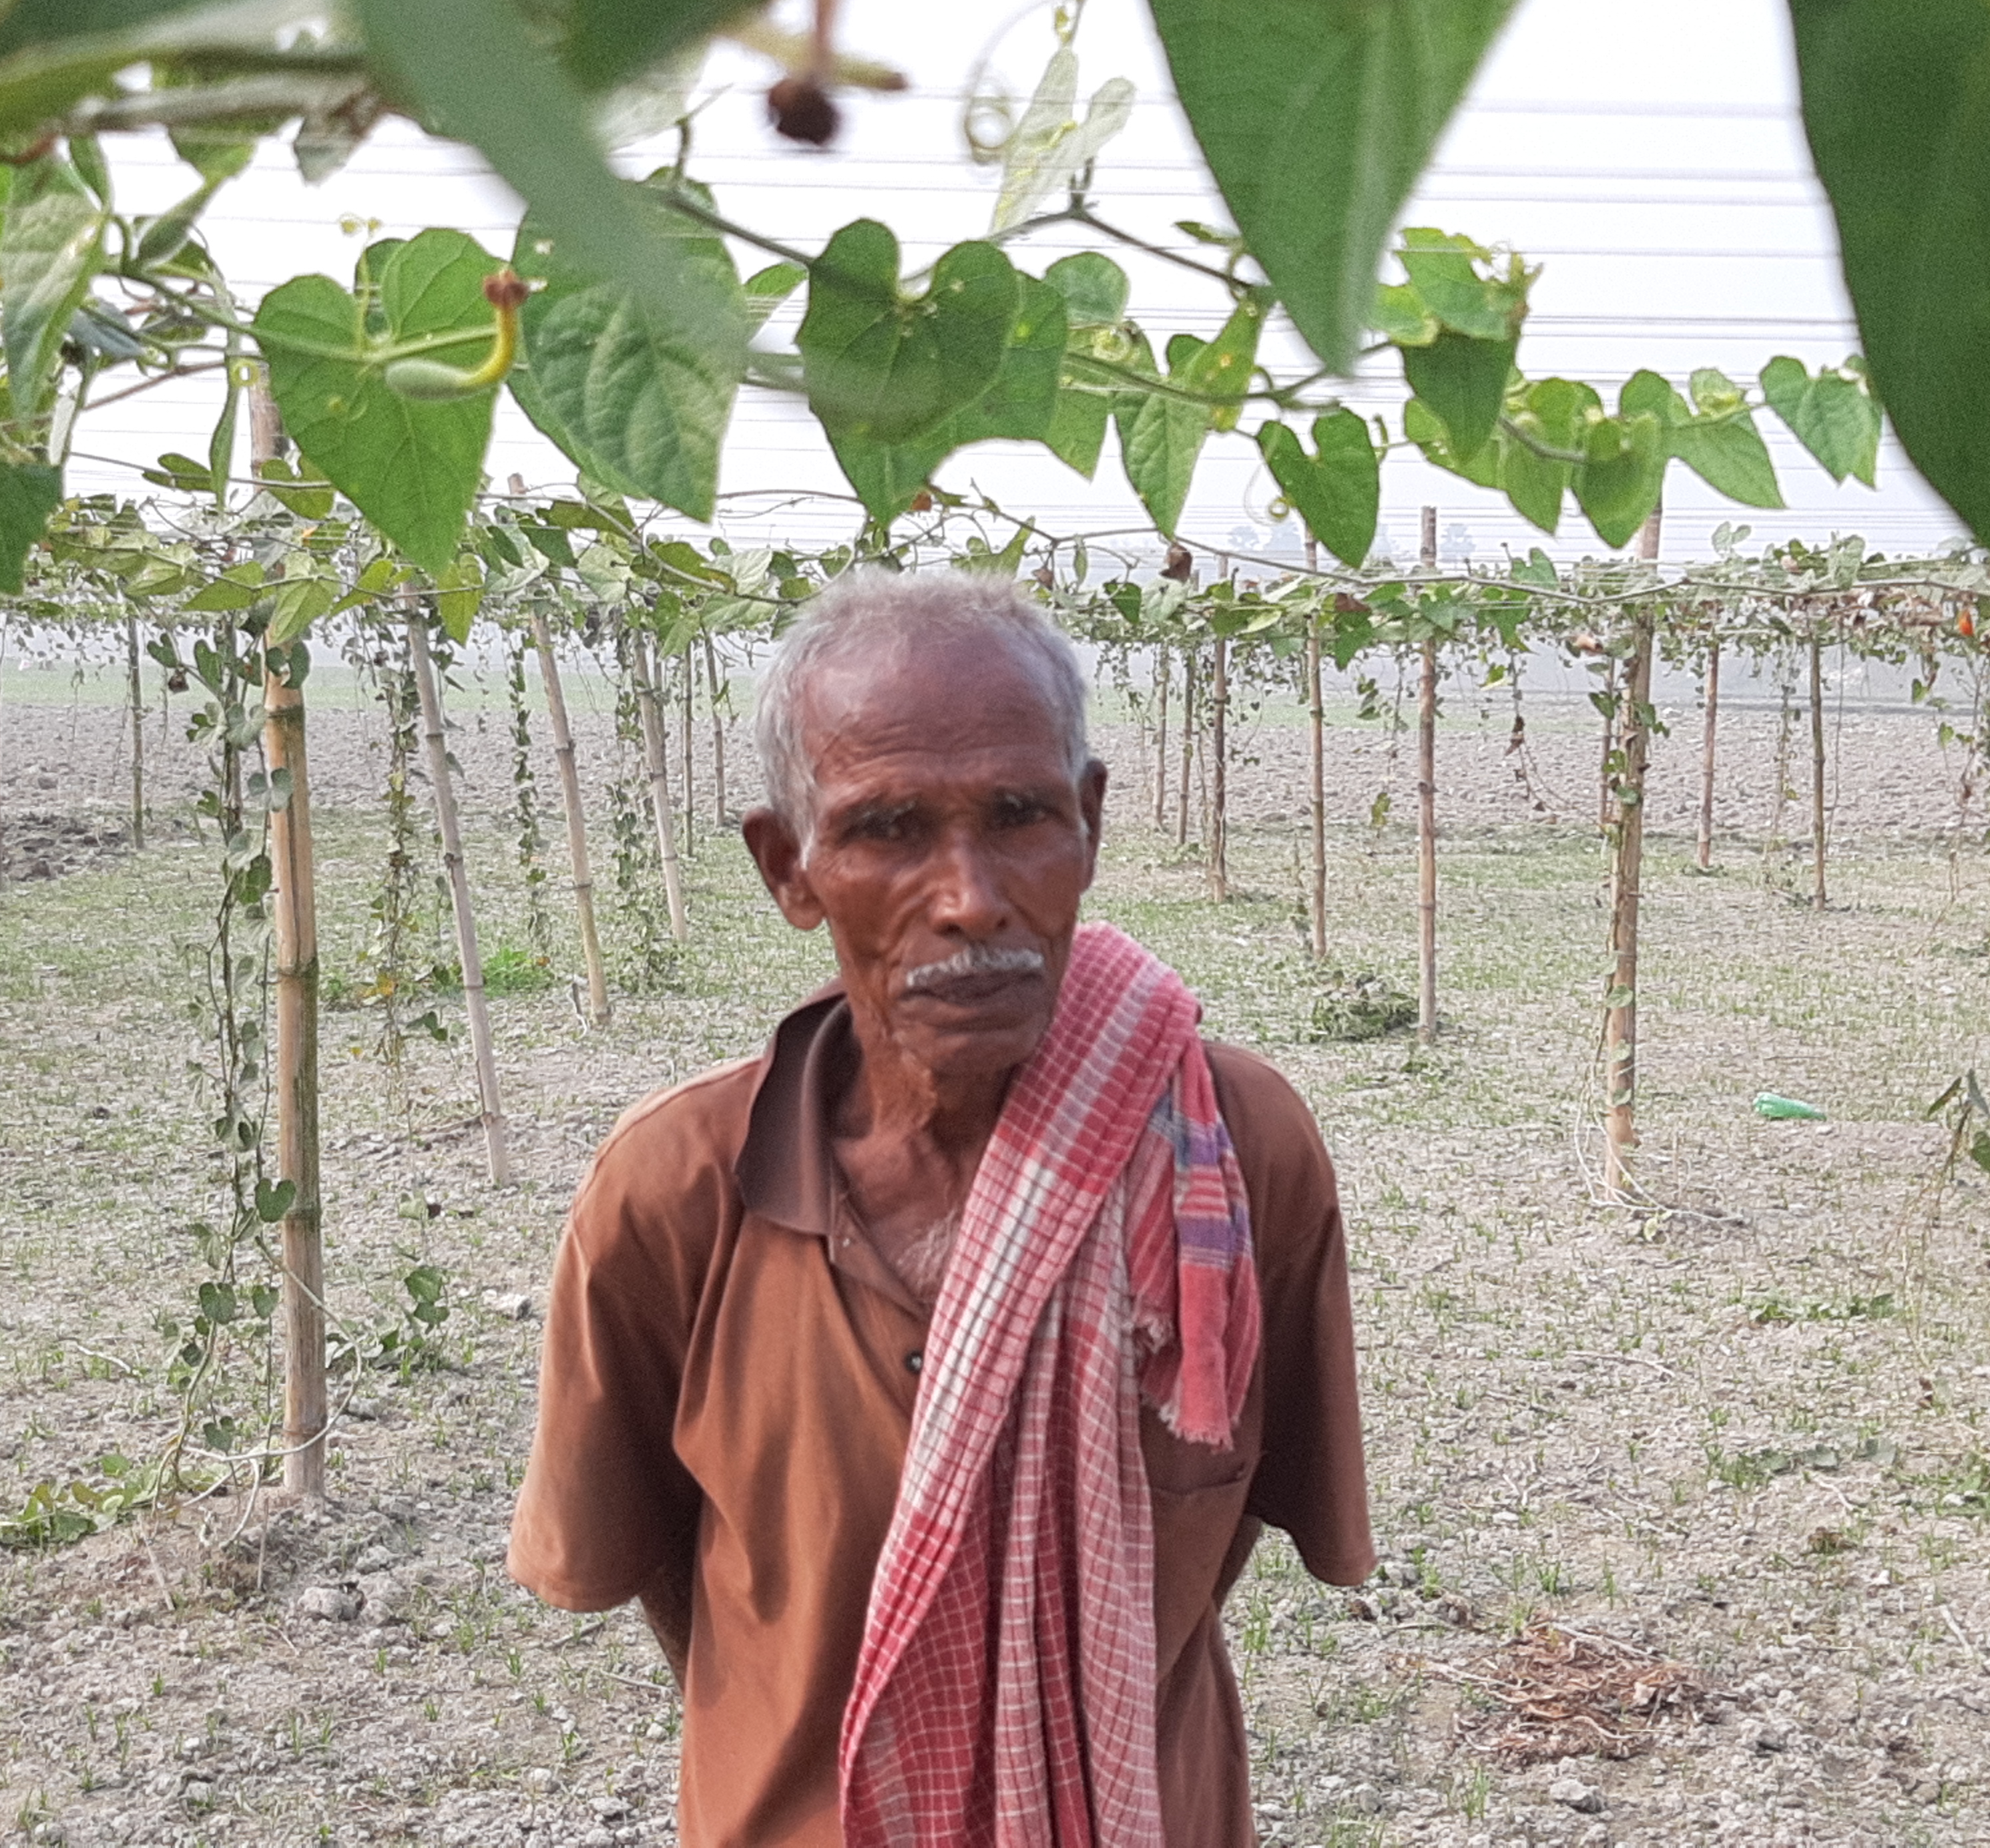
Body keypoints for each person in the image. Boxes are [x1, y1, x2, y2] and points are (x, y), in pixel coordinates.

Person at [509, 568, 1373, 1848]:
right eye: (888, 829)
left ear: (1089, 826)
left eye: (1019, 815)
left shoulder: (1233, 1156)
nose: (971, 896)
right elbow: (644, 1560)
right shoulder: (672, 1193)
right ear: (788, 870)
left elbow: (1239, 1519)